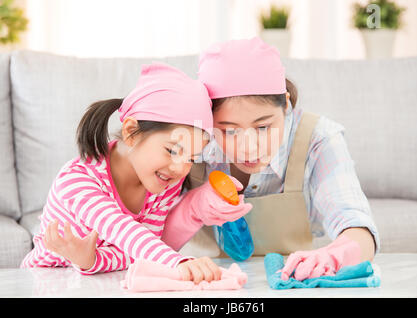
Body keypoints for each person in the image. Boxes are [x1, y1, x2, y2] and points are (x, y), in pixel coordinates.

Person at [161, 37, 380, 281]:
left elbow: (357, 225)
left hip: (291, 281)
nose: (248, 148)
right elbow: (150, 238)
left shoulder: (318, 139)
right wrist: (191, 208)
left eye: (263, 127)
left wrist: (336, 256)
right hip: (204, 283)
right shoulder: (190, 140)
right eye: (229, 130)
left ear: (285, 105)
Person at [20, 62, 250, 283]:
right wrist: (179, 263)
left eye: (191, 158)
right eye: (172, 151)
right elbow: (124, 232)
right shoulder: (77, 181)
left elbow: (138, 253)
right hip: (44, 280)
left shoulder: (165, 182)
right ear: (131, 132)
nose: (181, 169)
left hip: (107, 281)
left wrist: (93, 260)